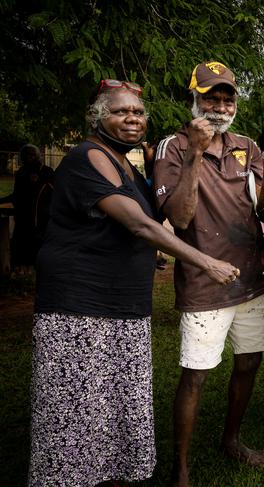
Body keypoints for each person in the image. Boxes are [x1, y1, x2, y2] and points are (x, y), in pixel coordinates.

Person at [30, 80, 240, 487]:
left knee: (116, 409)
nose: (132, 119)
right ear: (97, 118)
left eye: (138, 113)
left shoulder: (126, 161)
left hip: (124, 306)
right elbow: (140, 224)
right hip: (79, 308)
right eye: (120, 112)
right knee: (77, 414)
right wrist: (206, 261)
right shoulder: (85, 156)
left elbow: (158, 216)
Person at [153, 61, 264, 484]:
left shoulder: (247, 146)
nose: (220, 106)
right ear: (195, 100)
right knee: (196, 374)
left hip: (252, 278)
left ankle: (231, 439)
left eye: (227, 98)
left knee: (249, 363)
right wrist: (196, 153)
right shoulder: (172, 146)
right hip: (206, 281)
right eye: (211, 98)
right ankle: (181, 468)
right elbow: (181, 217)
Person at [0, 144, 54, 272]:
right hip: (23, 216)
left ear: (37, 156)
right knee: (20, 243)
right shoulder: (21, 173)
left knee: (38, 246)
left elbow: (52, 193)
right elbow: (16, 195)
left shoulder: (47, 172)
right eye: (27, 155)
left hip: (40, 217)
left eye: (32, 155)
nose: (29, 158)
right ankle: (19, 269)